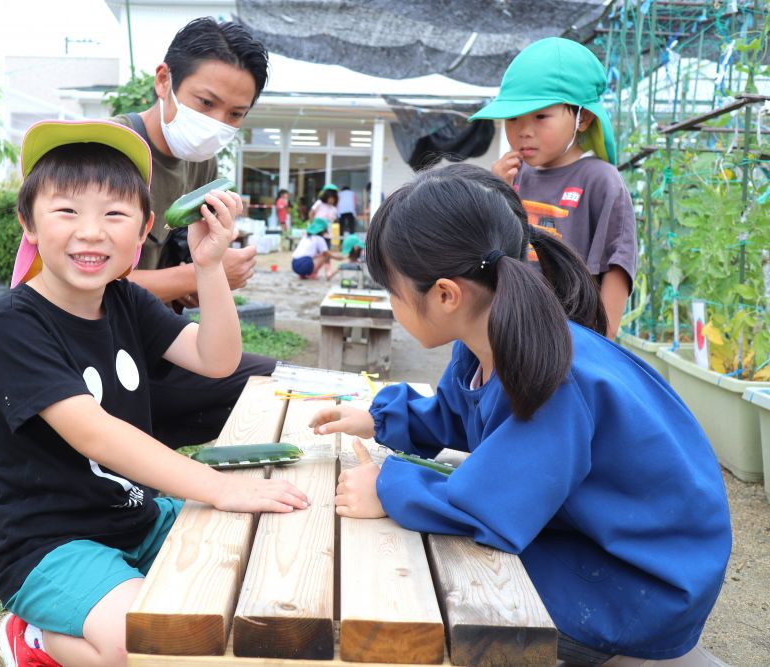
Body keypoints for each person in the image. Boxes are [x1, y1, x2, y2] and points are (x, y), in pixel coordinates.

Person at [309, 163, 731, 666]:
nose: (392, 305)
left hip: (636, 583)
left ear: (446, 294)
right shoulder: (486, 339)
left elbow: (488, 507)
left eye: (393, 292)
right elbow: (456, 413)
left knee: (450, 600)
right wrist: (380, 421)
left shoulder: (553, 374)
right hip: (594, 538)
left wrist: (386, 487)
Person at [0, 120, 309, 667]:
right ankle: (34, 637)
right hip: (49, 544)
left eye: (114, 214)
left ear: (144, 229)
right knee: (149, 646)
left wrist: (207, 268)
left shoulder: (125, 300)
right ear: (29, 222)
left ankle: (102, 600)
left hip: (139, 516)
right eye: (66, 211)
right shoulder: (13, 322)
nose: (91, 232)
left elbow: (216, 359)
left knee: (258, 566)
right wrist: (215, 487)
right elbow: (95, 432)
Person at [107, 17, 278, 447]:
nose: (217, 122)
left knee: (271, 382)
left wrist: (202, 279)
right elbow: (89, 282)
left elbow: (170, 273)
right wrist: (199, 274)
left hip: (153, 338)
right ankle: (131, 450)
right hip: (99, 343)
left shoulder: (201, 163)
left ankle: (141, 448)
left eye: (235, 114)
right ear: (164, 80)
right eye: (206, 103)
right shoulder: (114, 151)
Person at [470, 37, 637, 340]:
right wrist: (494, 193)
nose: (523, 130)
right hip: (511, 335)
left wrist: (602, 343)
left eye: (541, 116)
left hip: (571, 341)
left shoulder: (600, 180)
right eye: (512, 118)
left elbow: (617, 262)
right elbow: (485, 254)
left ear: (582, 118)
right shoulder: (511, 177)